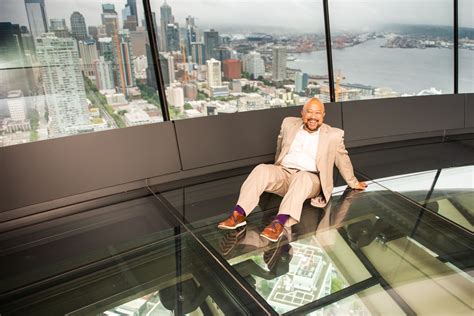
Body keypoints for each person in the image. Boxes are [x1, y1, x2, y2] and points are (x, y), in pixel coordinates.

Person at [218, 97, 367, 242]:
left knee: (302, 177)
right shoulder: (288, 123)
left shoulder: (334, 135)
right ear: (302, 113)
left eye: (317, 113)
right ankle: (239, 214)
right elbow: (280, 147)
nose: (313, 117)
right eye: (309, 112)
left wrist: (353, 183)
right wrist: (276, 170)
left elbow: (343, 159)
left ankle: (279, 223)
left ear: (323, 115)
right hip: (284, 173)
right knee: (261, 169)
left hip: (310, 180)